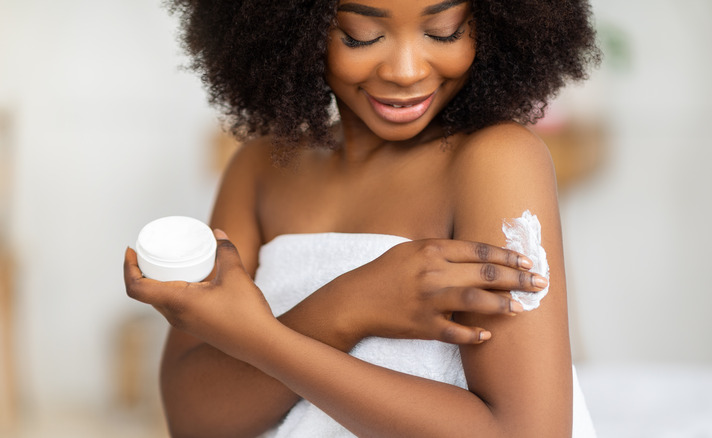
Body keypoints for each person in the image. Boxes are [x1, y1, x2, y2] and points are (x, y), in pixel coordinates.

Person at [124, 0, 601, 436]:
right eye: (360, 36)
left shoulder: (495, 160)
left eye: (443, 32)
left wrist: (256, 336)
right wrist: (348, 304)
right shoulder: (261, 170)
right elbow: (194, 420)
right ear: (299, 29)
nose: (406, 71)